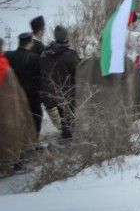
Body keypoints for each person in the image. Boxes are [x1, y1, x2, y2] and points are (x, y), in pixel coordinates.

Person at [0, 37, 37, 177]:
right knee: (18, 134)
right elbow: (12, 89)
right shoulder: (3, 66)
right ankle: (18, 165)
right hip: (10, 108)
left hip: (6, 109)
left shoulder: (6, 59)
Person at [40, 26, 81, 141]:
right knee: (70, 117)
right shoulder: (69, 54)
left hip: (53, 91)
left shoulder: (46, 53)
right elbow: (80, 69)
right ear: (65, 38)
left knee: (63, 116)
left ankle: (66, 136)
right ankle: (70, 140)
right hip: (69, 91)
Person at [4, 32, 44, 136]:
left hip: (14, 95)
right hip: (32, 96)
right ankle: (33, 142)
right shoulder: (34, 58)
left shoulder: (8, 55)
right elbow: (40, 77)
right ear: (30, 43)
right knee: (36, 120)